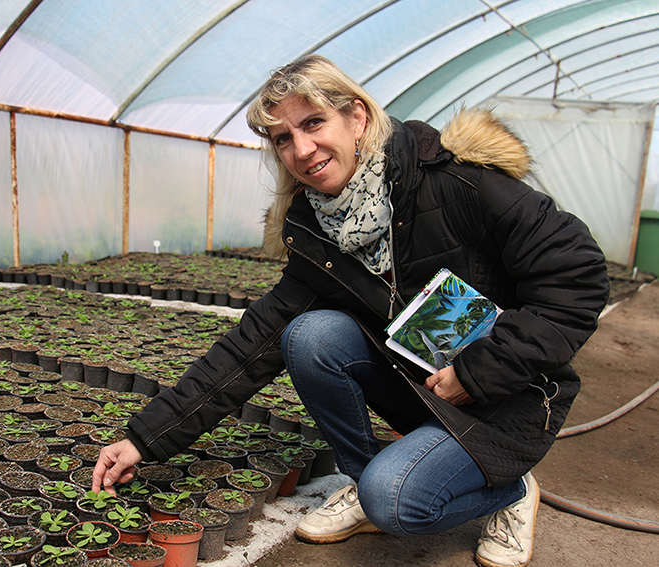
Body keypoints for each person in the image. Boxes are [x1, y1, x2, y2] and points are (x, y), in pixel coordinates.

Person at [92, 55, 609, 567]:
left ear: (357, 117)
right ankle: (366, 482)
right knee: (308, 335)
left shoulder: (455, 181)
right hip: (425, 389)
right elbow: (250, 347)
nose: (302, 149)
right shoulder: (319, 234)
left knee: (398, 504)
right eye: (282, 138)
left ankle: (510, 491)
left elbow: (578, 275)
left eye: (313, 122)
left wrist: (479, 372)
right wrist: (144, 439)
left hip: (512, 394)